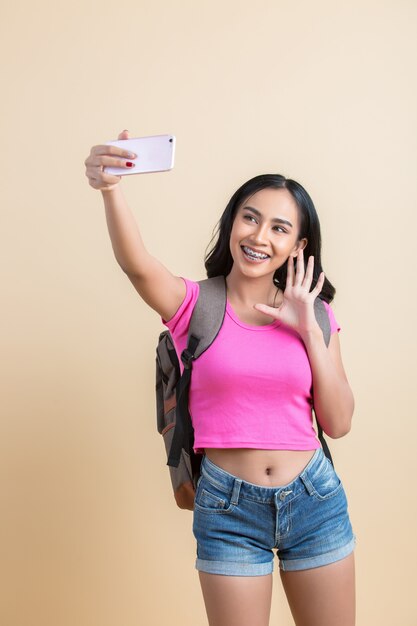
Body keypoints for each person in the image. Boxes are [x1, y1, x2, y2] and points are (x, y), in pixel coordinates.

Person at [85, 130, 357, 626]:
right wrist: (110, 190)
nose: (259, 237)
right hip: (228, 507)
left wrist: (309, 333)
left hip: (315, 500)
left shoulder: (315, 314)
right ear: (232, 223)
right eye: (250, 218)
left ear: (297, 245)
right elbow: (137, 265)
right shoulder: (196, 305)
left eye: (279, 228)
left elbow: (338, 423)